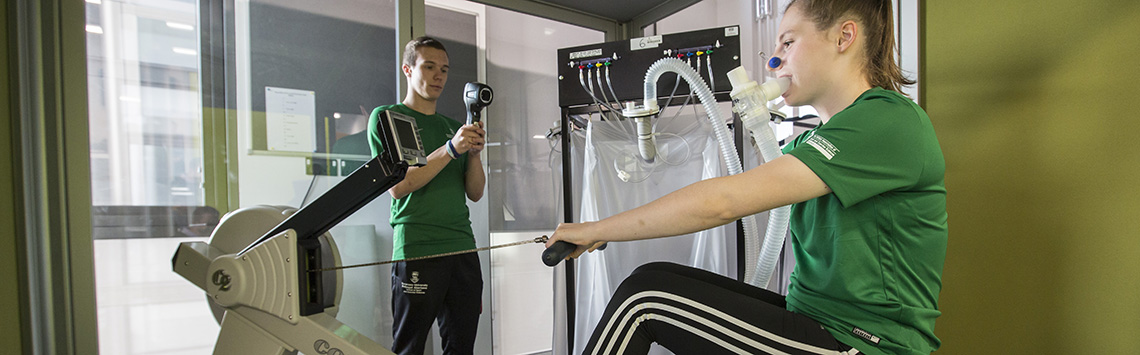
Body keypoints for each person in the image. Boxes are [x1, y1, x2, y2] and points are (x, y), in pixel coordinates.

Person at [546, 0, 946, 354]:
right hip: (813, 320)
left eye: (787, 43)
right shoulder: (811, 141)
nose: (773, 62)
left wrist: (599, 228)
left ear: (844, 37)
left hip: (860, 342)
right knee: (649, 277)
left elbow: (722, 203)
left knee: (644, 300)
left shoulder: (888, 121)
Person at [367, 36, 487, 355]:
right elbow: (398, 186)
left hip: (462, 248)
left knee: (461, 347)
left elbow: (475, 193)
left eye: (444, 70)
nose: (438, 76)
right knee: (409, 347)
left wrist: (473, 154)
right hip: (417, 249)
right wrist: (451, 149)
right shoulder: (387, 117)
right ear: (408, 69)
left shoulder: (453, 127)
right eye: (429, 66)